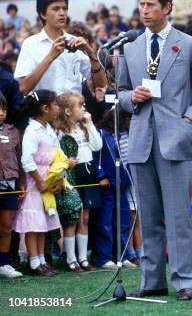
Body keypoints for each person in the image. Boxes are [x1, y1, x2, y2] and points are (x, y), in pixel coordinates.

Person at [117, 0, 192, 301]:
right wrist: (132, 96)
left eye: (151, 5)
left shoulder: (188, 45)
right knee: (147, 218)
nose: (144, 10)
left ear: (167, 7)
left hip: (176, 140)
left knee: (177, 218)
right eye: (142, 4)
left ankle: (185, 280)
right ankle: (152, 279)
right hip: (141, 140)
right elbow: (119, 94)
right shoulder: (129, 48)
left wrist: (188, 120)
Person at [14, 0, 107, 95]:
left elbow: (102, 84)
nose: (62, 13)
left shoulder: (75, 42)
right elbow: (23, 88)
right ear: (43, 14)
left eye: (65, 8)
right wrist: (50, 57)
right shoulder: (30, 44)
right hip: (44, 110)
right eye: (56, 8)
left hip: (75, 110)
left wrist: (91, 53)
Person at [13, 90, 65, 277]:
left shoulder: (48, 129)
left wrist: (59, 179)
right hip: (36, 184)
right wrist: (40, 181)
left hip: (49, 182)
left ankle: (42, 260)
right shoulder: (31, 131)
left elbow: (59, 155)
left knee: (43, 223)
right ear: (45, 108)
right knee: (32, 224)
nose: (58, 108)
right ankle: (34, 262)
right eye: (55, 105)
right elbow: (27, 160)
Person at [55, 91, 103, 272]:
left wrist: (89, 123)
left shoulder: (83, 127)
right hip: (71, 174)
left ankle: (83, 258)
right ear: (68, 111)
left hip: (88, 171)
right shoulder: (59, 132)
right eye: (80, 106)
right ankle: (71, 259)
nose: (84, 109)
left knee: (85, 216)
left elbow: (97, 146)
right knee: (72, 217)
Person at [93, 108, 138, 269]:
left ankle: (123, 255)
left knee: (124, 219)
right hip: (108, 184)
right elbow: (96, 158)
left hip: (123, 184)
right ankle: (104, 257)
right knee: (105, 221)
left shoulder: (129, 135)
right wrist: (101, 176)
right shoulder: (103, 134)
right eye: (130, 119)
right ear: (122, 119)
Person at [0, 93, 22, 278]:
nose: (1, 113)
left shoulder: (13, 132)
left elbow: (19, 159)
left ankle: (4, 263)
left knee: (7, 226)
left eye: (4, 109)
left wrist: (21, 182)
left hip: (10, 184)